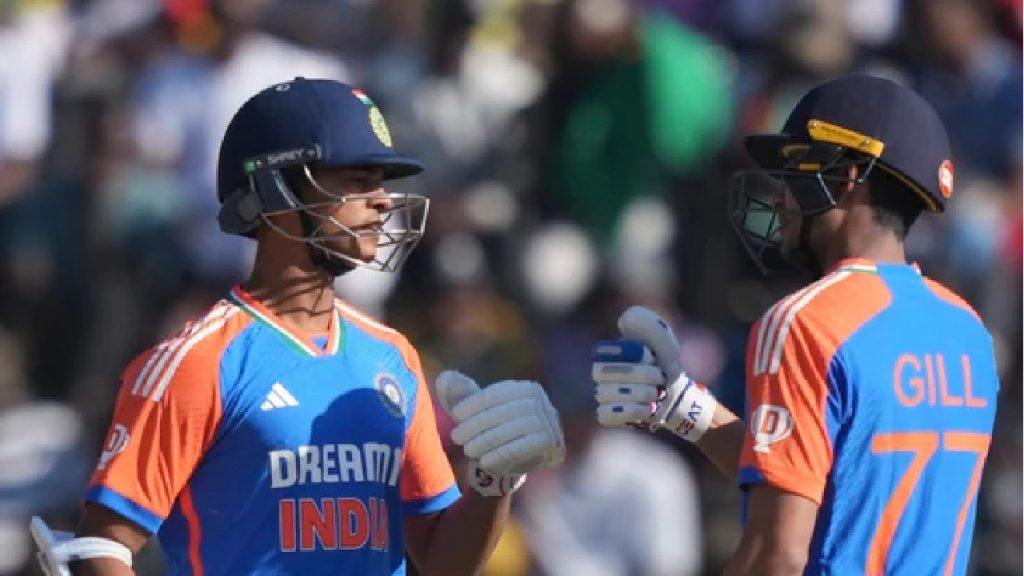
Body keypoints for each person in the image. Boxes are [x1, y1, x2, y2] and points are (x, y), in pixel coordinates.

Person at [29, 78, 565, 576]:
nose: (382, 201)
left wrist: (493, 479)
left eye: (381, 182)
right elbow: (103, 544)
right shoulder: (199, 362)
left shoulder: (392, 355)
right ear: (277, 191)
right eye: (357, 180)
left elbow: (444, 562)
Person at [591, 74, 999, 575]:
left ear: (846, 178)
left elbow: (778, 554)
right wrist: (687, 408)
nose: (781, 197)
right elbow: (833, 486)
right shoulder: (966, 330)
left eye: (795, 170)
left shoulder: (803, 321)